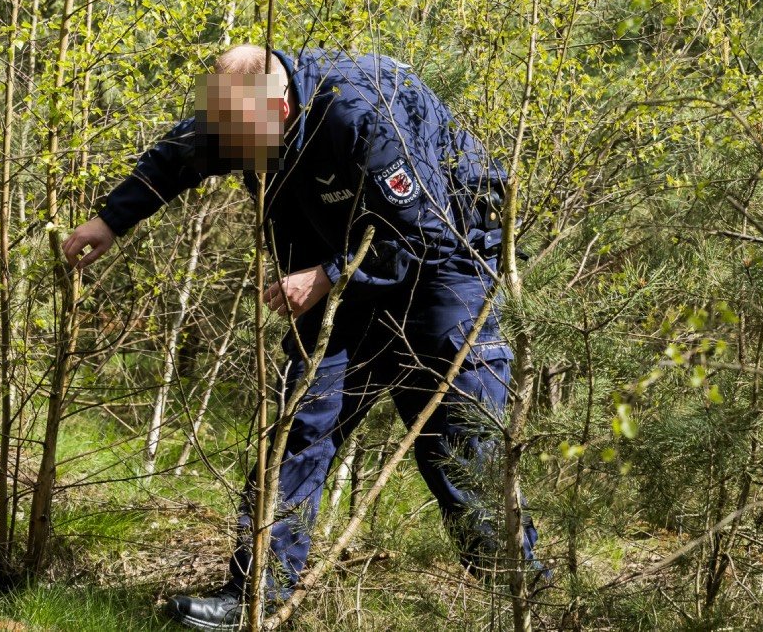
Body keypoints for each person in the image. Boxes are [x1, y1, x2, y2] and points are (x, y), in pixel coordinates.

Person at [62, 45, 543, 629]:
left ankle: (524, 593)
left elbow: (421, 232)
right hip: (331, 263)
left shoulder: (364, 113)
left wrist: (329, 275)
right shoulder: (236, 109)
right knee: (301, 422)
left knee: (453, 442)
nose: (231, 152)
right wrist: (111, 219)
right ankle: (254, 600)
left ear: (282, 108)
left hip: (442, 264)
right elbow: (177, 157)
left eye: (241, 138)